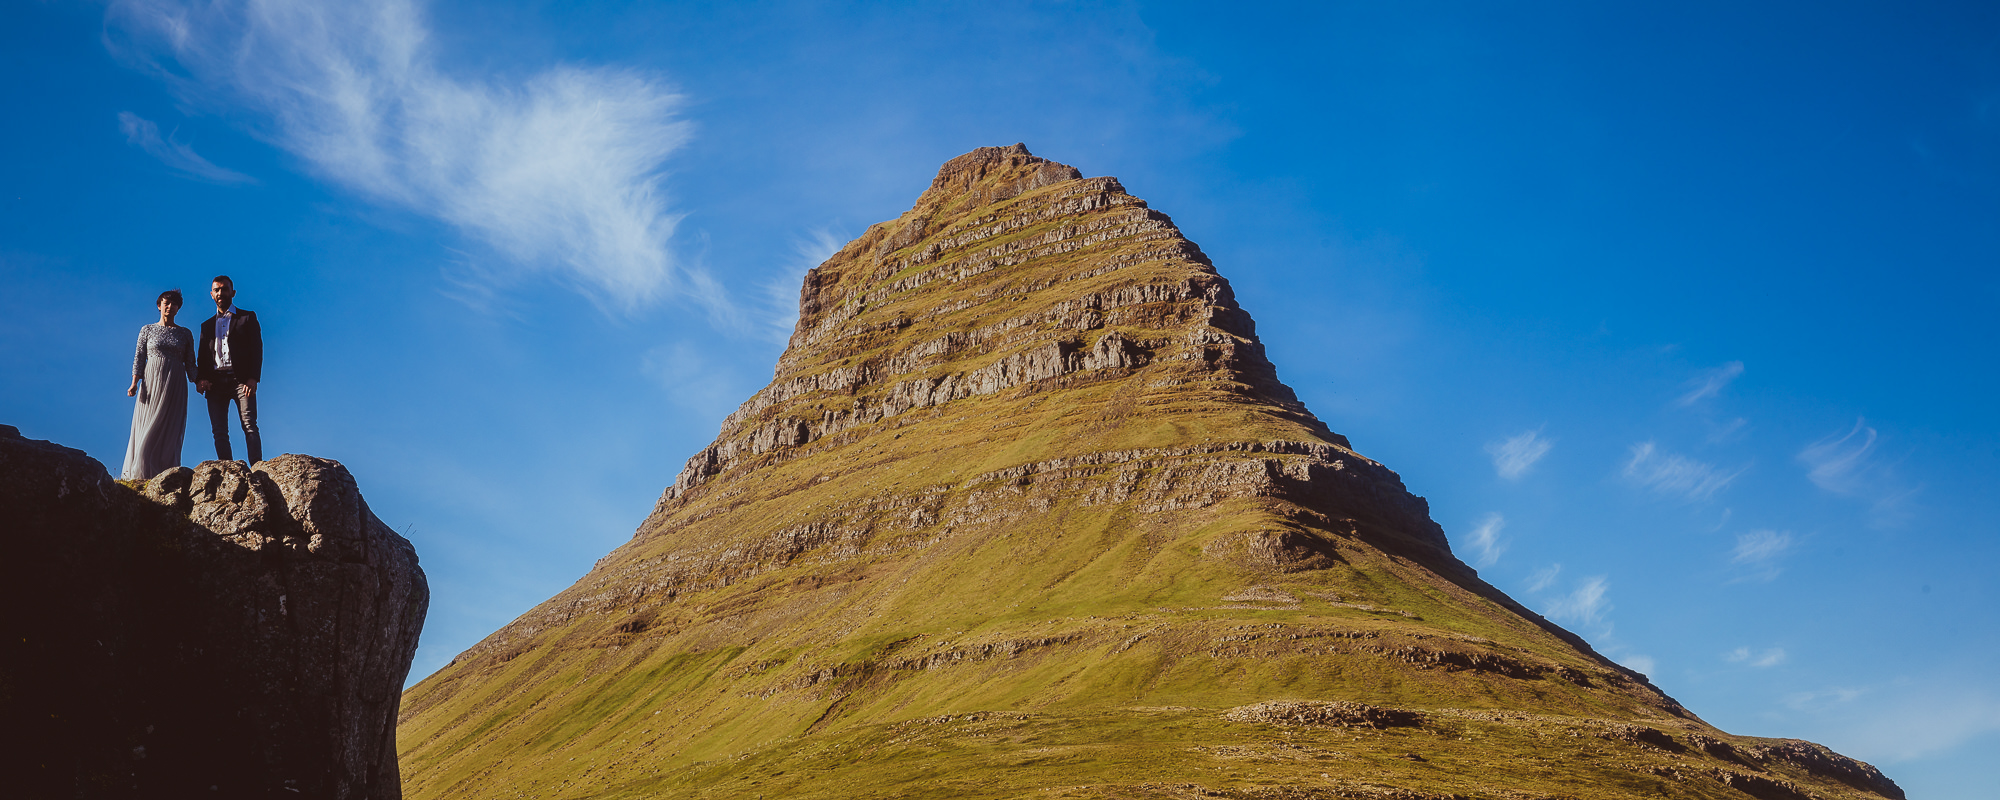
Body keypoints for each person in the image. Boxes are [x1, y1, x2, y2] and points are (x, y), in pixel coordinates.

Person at [120, 289, 196, 481]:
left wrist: (199, 381)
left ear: (179, 308)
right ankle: (139, 474)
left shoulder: (185, 333)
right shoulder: (147, 330)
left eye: (174, 304)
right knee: (148, 427)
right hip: (152, 382)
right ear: (159, 305)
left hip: (176, 383)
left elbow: (190, 363)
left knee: (169, 429)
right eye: (166, 303)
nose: (169, 307)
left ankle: (164, 474)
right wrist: (134, 382)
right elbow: (139, 357)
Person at [195, 275, 263, 464]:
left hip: (241, 380)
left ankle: (257, 466)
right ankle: (228, 469)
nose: (220, 293)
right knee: (219, 431)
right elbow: (202, 356)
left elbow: (257, 348)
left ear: (232, 292)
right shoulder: (206, 326)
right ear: (211, 294)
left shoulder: (247, 317)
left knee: (249, 424)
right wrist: (200, 379)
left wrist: (253, 378)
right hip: (215, 383)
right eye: (216, 290)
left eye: (224, 289)